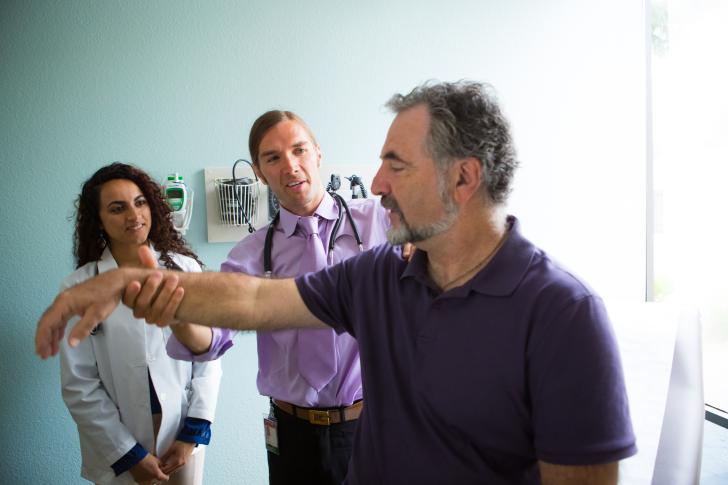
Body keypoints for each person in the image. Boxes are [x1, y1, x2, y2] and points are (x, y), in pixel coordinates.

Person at [38, 82, 637, 484]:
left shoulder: (562, 315)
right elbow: (249, 299)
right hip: (297, 432)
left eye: (395, 165)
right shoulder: (376, 272)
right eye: (272, 158)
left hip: (354, 422)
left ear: (463, 178)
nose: (374, 184)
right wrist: (130, 284)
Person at [167, 110, 390, 485]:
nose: (290, 165)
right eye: (273, 157)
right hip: (292, 434)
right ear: (258, 171)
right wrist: (177, 313)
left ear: (318, 153)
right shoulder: (250, 255)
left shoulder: (379, 221)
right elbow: (212, 337)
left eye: (299, 150)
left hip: (372, 426)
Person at [57, 163, 222, 485]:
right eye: (117, 208)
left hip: (181, 427)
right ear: (99, 221)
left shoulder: (185, 270)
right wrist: (128, 454)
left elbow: (209, 356)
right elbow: (80, 384)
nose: (133, 216)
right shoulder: (79, 288)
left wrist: (192, 433)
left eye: (140, 202)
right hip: (116, 435)